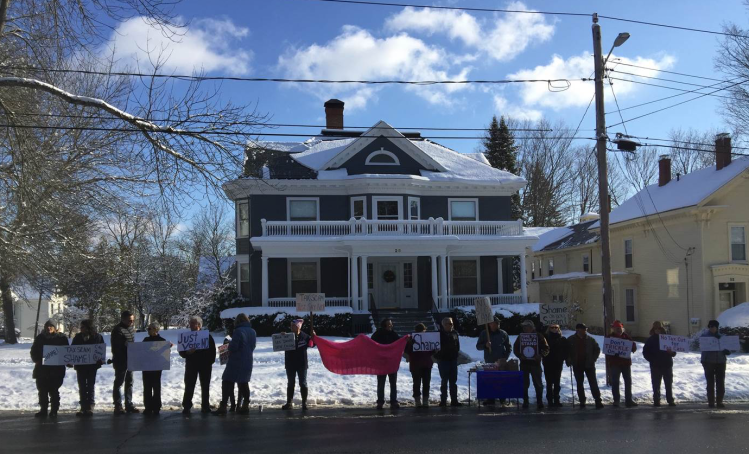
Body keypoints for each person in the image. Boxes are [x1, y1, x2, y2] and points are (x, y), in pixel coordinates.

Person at [218, 313, 256, 415]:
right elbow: (253, 346)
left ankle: (223, 406)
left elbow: (233, 347)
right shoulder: (253, 331)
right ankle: (245, 405)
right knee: (243, 382)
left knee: (227, 380)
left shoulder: (238, 331)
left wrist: (228, 344)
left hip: (236, 361)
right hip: (248, 360)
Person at [30, 320, 69, 418]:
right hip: (42, 369)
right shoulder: (40, 338)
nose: (49, 328)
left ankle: (54, 410)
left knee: (54, 390)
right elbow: (33, 351)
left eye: (51, 326)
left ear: (55, 328)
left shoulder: (61, 338)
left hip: (56, 370)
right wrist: (37, 360)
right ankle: (43, 410)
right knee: (42, 390)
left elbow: (67, 352)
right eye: (47, 326)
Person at [179, 315, 217, 415]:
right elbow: (182, 352)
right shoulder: (187, 337)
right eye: (190, 323)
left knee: (205, 386)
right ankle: (186, 406)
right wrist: (187, 353)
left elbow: (213, 352)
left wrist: (209, 362)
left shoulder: (207, 336)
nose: (190, 325)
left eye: (193, 323)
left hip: (205, 365)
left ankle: (205, 406)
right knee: (189, 386)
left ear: (199, 325)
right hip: (191, 365)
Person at [70, 319, 104, 417]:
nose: (81, 329)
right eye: (81, 327)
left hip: (92, 366)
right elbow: (72, 350)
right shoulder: (77, 337)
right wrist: (71, 360)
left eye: (83, 327)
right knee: (82, 386)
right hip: (80, 366)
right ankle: (83, 406)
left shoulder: (97, 337)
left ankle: (90, 405)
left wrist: (100, 360)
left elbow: (101, 350)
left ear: (89, 328)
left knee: (90, 385)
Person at [513, 320, 549, 409]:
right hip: (524, 364)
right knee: (524, 384)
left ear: (532, 327)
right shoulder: (520, 337)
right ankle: (525, 401)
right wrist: (520, 356)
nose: (525, 328)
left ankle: (539, 402)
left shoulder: (539, 336)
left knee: (538, 384)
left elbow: (546, 348)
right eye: (524, 327)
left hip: (535, 364)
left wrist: (540, 355)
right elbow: (515, 348)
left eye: (527, 327)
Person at [475, 316, 512, 405]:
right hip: (489, 360)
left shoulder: (503, 333)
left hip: (501, 361)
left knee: (501, 380)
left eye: (497, 323)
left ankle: (502, 399)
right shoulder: (484, 333)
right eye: (494, 323)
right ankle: (490, 399)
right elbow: (478, 346)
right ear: (489, 324)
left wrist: (505, 357)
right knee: (490, 380)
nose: (496, 325)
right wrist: (485, 345)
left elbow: (509, 347)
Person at [566, 323, 604, 409]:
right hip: (577, 364)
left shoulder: (590, 339)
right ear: (577, 330)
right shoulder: (571, 339)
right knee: (579, 384)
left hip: (589, 364)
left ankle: (598, 400)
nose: (584, 331)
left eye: (585, 329)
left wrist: (593, 359)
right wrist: (568, 360)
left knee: (593, 383)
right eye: (583, 329)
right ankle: (582, 401)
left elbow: (597, 349)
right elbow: (566, 351)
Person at [281, 319, 316, 411]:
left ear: (298, 327)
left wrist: (314, 337)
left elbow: (312, 345)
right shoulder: (287, 336)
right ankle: (289, 403)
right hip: (290, 363)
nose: (292, 327)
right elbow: (280, 343)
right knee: (290, 383)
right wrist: (281, 337)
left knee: (303, 383)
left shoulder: (304, 336)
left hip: (302, 364)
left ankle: (304, 403)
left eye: (294, 326)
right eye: (291, 325)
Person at [642, 321, 676, 407]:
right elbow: (645, 352)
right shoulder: (650, 340)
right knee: (656, 384)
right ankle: (656, 400)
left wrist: (671, 352)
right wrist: (651, 360)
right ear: (653, 329)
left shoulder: (667, 339)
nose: (657, 330)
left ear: (661, 329)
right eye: (655, 329)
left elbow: (674, 352)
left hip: (667, 364)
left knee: (668, 383)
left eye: (659, 328)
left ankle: (670, 400)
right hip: (655, 365)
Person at [111, 310, 138, 414]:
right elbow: (117, 347)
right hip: (120, 360)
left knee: (130, 382)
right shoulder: (117, 330)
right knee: (119, 383)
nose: (131, 322)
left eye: (132, 321)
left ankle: (128, 404)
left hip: (130, 359)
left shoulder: (131, 329)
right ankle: (118, 405)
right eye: (129, 320)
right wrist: (125, 345)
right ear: (123, 319)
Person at [606, 320, 638, 408]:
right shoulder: (609, 337)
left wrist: (631, 346)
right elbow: (607, 350)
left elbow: (634, 347)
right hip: (615, 364)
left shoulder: (626, 337)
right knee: (615, 382)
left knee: (628, 382)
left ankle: (628, 400)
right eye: (617, 328)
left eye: (620, 328)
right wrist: (614, 353)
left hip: (626, 363)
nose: (619, 330)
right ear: (613, 329)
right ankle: (616, 400)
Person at [371, 318, 401, 410]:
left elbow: (400, 343)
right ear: (384, 325)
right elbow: (371, 345)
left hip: (392, 362)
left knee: (393, 383)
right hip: (381, 363)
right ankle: (380, 402)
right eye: (389, 324)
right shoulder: (377, 334)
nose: (391, 325)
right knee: (381, 383)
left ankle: (393, 401)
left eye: (391, 324)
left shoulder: (394, 334)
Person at [701, 319, 730, 408]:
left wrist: (727, 351)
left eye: (713, 326)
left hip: (721, 362)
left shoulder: (722, 337)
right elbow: (703, 350)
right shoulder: (704, 337)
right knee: (710, 383)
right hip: (709, 362)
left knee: (720, 383)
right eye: (709, 327)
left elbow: (729, 348)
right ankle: (711, 402)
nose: (711, 328)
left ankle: (719, 401)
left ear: (717, 327)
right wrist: (703, 361)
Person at [434, 317, 462, 407]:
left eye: (452, 323)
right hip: (443, 361)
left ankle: (454, 400)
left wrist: (455, 355)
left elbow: (457, 346)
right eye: (449, 323)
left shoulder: (455, 333)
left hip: (453, 360)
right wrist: (438, 356)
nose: (451, 325)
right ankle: (443, 400)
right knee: (444, 380)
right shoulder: (439, 334)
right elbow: (433, 347)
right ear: (444, 325)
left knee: (453, 381)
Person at [405, 323, 434, 407]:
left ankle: (423, 400)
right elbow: (407, 351)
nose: (423, 332)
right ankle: (420, 400)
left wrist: (434, 350)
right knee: (419, 383)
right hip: (418, 364)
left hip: (423, 364)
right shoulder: (412, 339)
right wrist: (411, 343)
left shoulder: (427, 339)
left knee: (423, 383)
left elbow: (430, 351)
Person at [142, 322, 167, 416]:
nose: (148, 330)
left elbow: (163, 354)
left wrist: (167, 348)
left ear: (155, 330)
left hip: (156, 368)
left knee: (156, 387)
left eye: (150, 329)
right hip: (146, 367)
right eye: (148, 329)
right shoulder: (145, 340)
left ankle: (156, 407)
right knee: (147, 387)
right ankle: (148, 407)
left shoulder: (162, 340)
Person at [543, 324, 569, 407]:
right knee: (549, 382)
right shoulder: (545, 338)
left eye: (556, 327)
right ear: (549, 328)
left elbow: (566, 350)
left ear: (558, 329)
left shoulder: (562, 339)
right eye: (552, 327)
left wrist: (566, 359)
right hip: (548, 362)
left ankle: (557, 399)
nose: (554, 329)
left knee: (557, 381)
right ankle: (550, 400)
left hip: (558, 362)